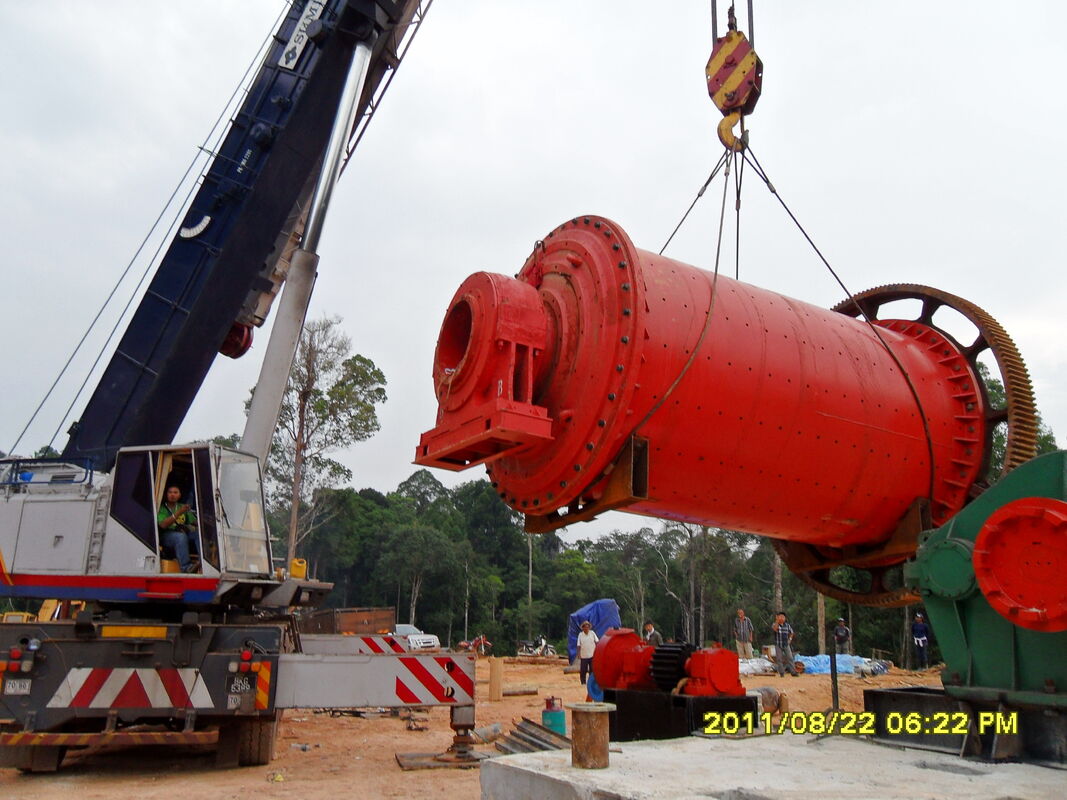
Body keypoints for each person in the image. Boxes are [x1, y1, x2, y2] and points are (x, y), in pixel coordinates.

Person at [158, 485, 199, 573]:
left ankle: (202, 562)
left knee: (198, 534)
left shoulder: (182, 506)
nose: (172, 495)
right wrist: (179, 513)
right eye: (170, 492)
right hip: (167, 535)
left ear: (180, 495)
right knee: (180, 537)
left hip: (183, 533)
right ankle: (186, 567)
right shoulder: (162, 508)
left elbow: (195, 522)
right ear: (166, 495)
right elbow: (163, 525)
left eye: (175, 492)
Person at [771, 612, 798, 677]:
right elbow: (775, 629)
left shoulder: (787, 625)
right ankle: (781, 673)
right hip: (778, 644)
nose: (782, 618)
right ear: (777, 617)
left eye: (783, 617)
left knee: (790, 658)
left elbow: (791, 632)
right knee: (779, 659)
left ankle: (793, 672)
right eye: (780, 617)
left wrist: (790, 639)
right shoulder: (774, 624)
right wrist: (777, 621)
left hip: (786, 644)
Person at [576, 620, 599, 685]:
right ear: (583, 628)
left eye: (587, 627)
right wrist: (578, 653)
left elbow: (597, 642)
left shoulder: (592, 633)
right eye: (585, 627)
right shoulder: (580, 635)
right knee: (583, 670)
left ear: (589, 627)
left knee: (592, 670)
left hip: (592, 654)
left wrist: (598, 651)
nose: (586, 628)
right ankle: (583, 682)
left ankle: (591, 682)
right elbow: (578, 645)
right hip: (584, 655)